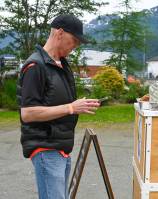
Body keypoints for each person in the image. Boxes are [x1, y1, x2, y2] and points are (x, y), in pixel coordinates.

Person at [17, 14, 100, 199]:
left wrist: (79, 106)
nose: (75, 46)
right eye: (74, 41)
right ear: (60, 33)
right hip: (46, 149)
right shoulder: (35, 65)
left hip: (60, 148)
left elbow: (59, 102)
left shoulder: (61, 65)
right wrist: (71, 108)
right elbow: (28, 113)